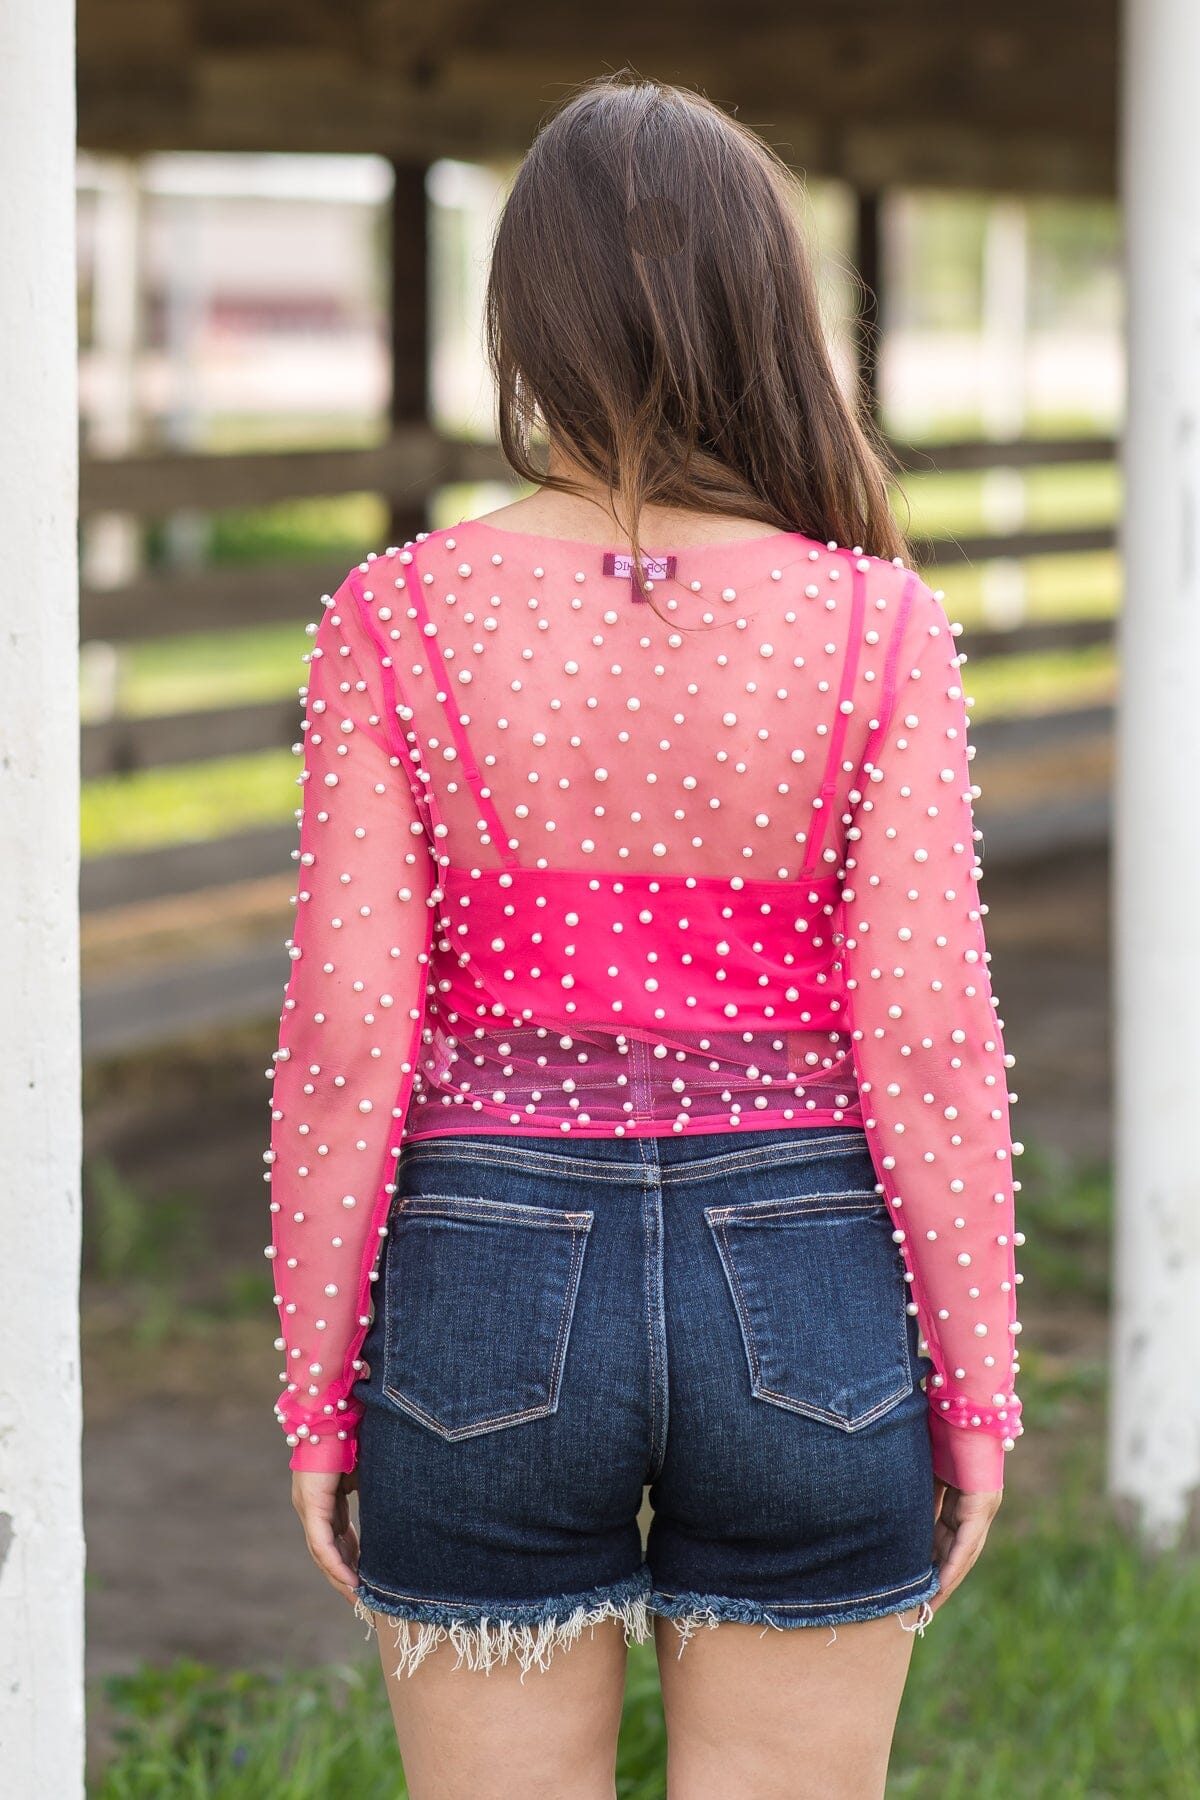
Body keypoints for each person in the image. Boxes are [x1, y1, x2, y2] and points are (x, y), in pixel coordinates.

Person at [268, 68, 1023, 1800]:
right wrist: (977, 1388)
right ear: (766, 305)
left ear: (523, 323)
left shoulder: (395, 617)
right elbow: (924, 1042)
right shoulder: (877, 625)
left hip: (480, 1280)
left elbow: (345, 1044)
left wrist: (319, 1398)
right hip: (811, 1280)